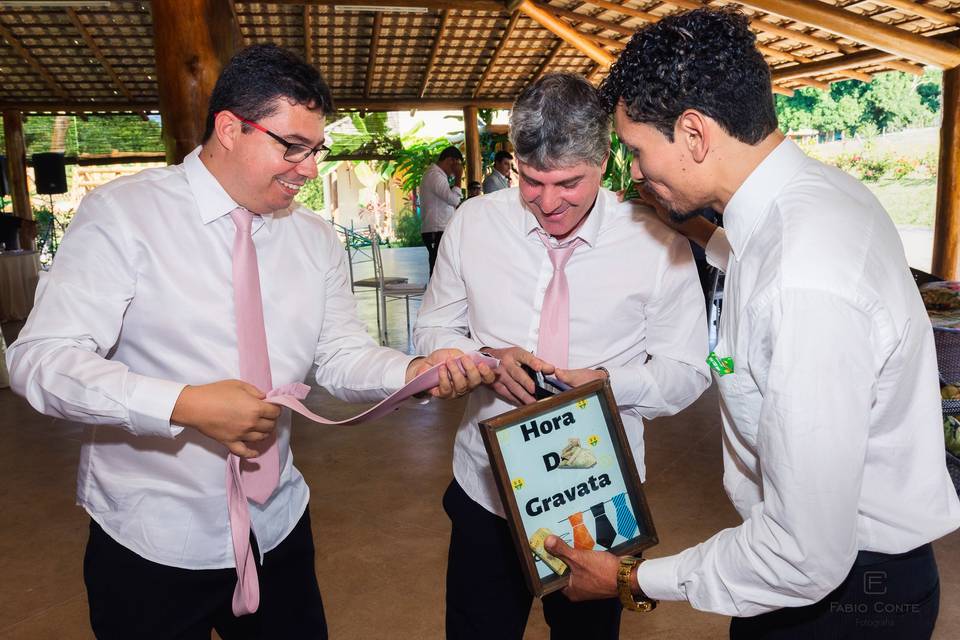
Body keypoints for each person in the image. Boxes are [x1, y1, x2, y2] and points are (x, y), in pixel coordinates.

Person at [6, 44, 492, 640]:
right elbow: (40, 360)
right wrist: (186, 405)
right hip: (151, 538)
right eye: (292, 147)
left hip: (277, 522)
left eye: (317, 150)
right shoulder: (123, 216)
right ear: (230, 128)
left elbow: (338, 354)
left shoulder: (313, 239)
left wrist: (418, 368)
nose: (309, 169)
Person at [544, 9, 960, 639]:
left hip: (843, 604)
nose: (634, 173)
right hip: (829, 585)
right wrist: (695, 230)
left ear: (692, 133)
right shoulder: (815, 199)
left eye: (636, 150)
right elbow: (752, 259)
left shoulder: (801, 280)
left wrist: (632, 580)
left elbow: (803, 550)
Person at [413, 72, 710, 640]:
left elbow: (689, 371)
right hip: (486, 491)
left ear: (604, 159)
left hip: (599, 501)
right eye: (531, 180)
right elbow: (432, 330)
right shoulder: (474, 224)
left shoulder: (655, 241)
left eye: (569, 183)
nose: (548, 203)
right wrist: (484, 360)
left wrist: (602, 385)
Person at [420, 145, 463, 275]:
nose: (457, 169)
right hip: (436, 230)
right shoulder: (435, 176)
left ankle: (438, 295)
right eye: (457, 165)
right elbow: (454, 200)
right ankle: (435, 296)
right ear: (451, 161)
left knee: (441, 270)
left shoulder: (438, 175)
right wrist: (458, 178)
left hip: (438, 230)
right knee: (438, 271)